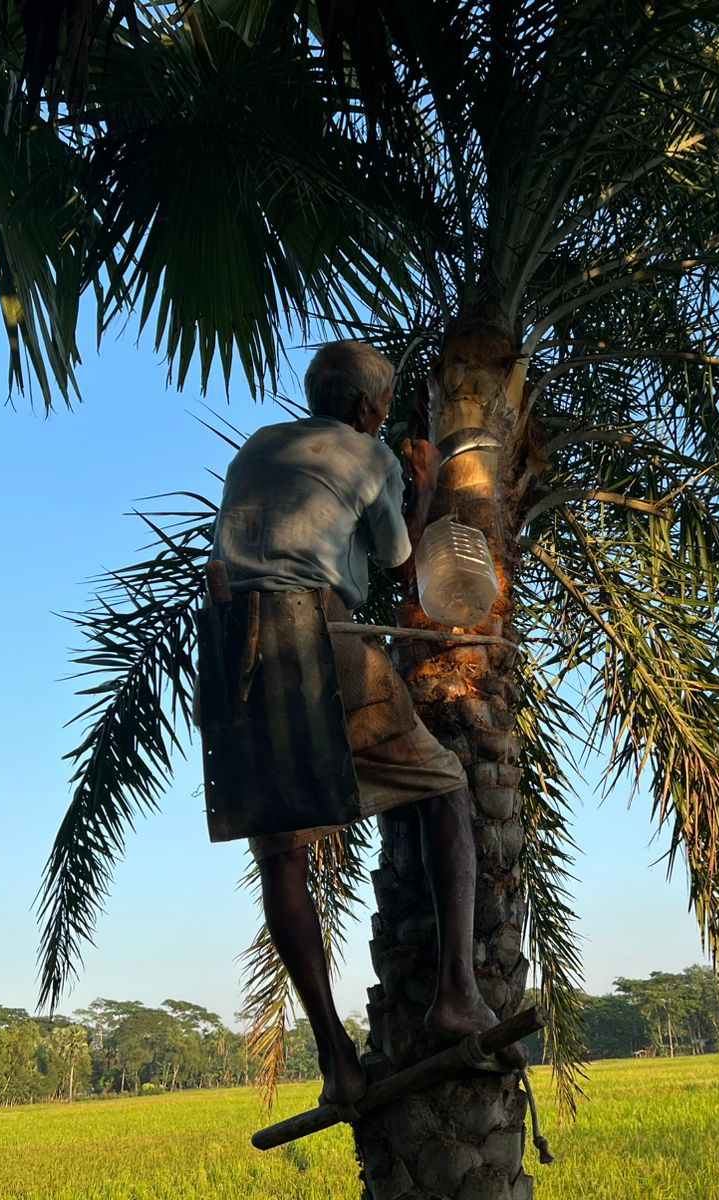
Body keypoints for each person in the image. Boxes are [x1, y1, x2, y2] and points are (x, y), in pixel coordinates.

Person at [206, 340, 510, 1109]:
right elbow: (402, 562)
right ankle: (455, 994)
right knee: (442, 784)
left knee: (282, 853)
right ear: (372, 409)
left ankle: (337, 1063)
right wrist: (423, 484)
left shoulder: (258, 446)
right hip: (315, 636)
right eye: (383, 404)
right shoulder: (368, 453)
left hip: (231, 652)